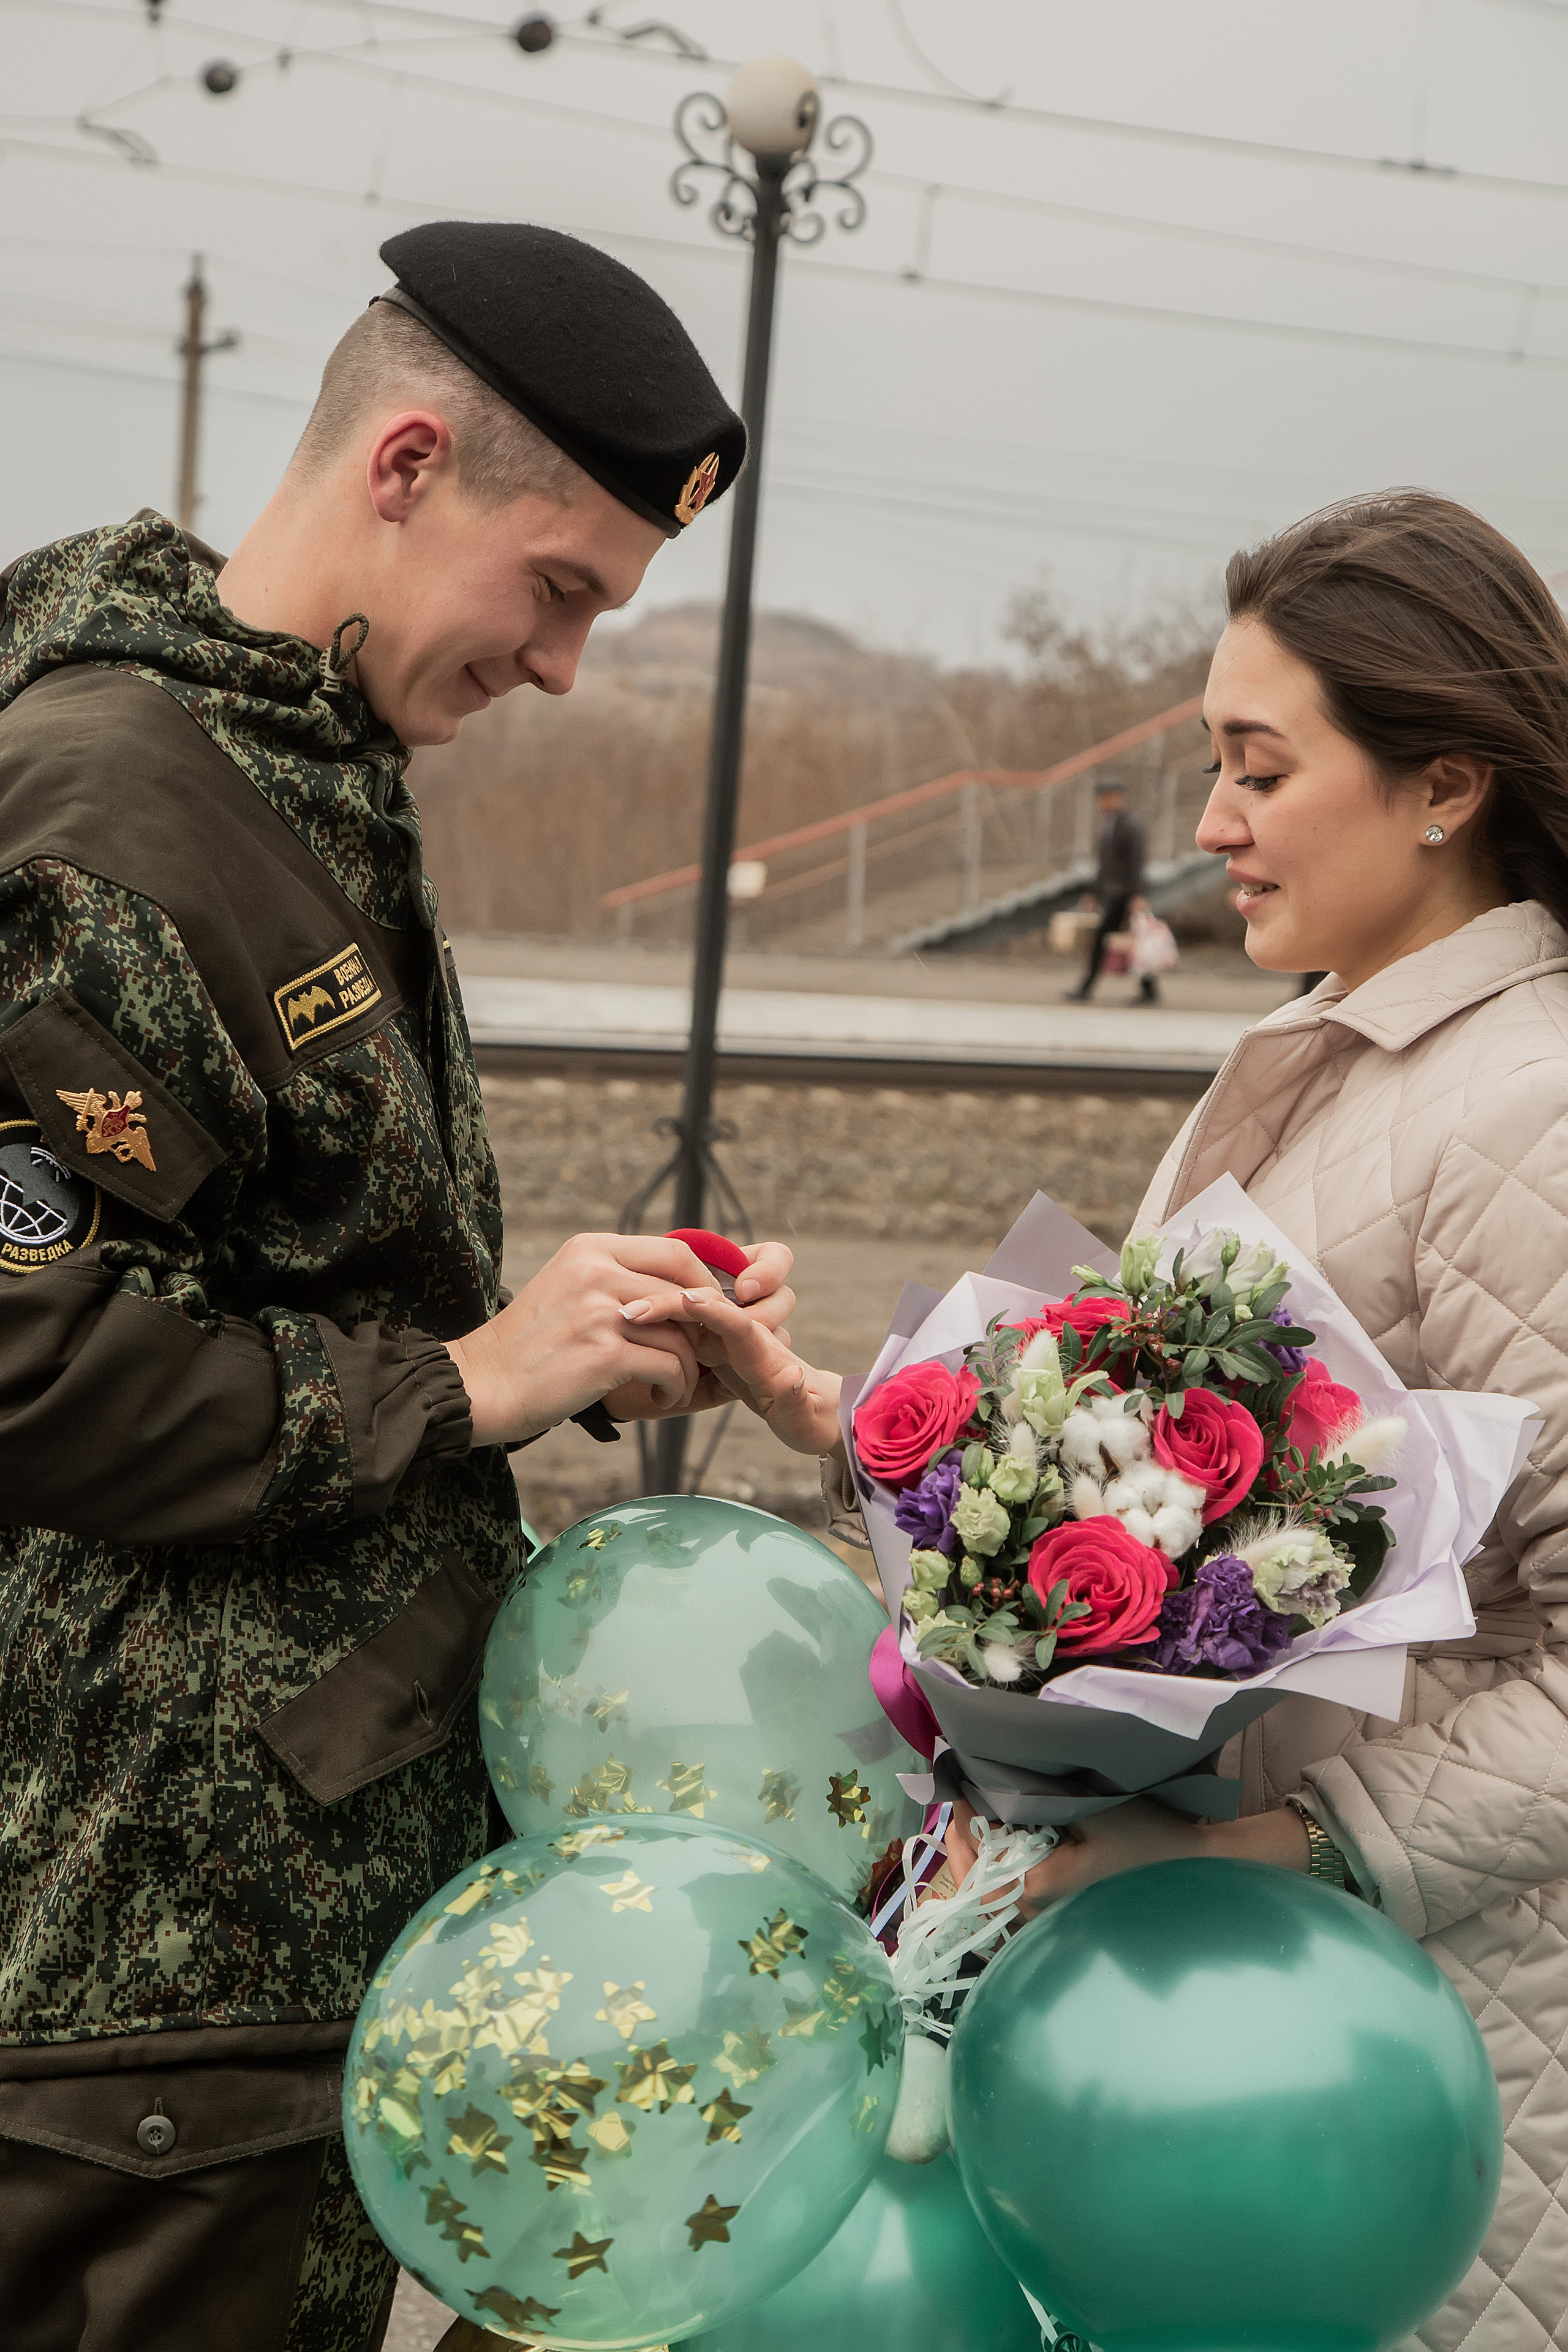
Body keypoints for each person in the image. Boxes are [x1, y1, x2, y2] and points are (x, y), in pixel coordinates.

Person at [0, 220, 796, 2351]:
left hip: (266, 1934)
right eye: (560, 594)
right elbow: (30, 1357)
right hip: (143, 1978)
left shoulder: (296, 760)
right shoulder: (114, 806)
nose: (563, 670)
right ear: (410, 461)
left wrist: (570, 1345)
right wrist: (461, 1380)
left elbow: (284, 1261)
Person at [684, 489, 1568, 2352]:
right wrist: (854, 1427)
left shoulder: (1529, 1103)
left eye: (1258, 765)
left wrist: (1301, 1848)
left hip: (1417, 2064)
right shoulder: (1340, 1054)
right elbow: (1160, 1498)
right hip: (1249, 2039)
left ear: (1446, 783)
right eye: (1205, 761)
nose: (1209, 825)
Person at [1068, 774, 1147, 1001]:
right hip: (1113, 892)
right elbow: (1105, 865)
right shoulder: (1109, 824)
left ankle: (1085, 989)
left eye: (1106, 797)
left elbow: (1136, 863)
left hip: (1125, 893)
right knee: (1126, 941)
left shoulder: (1130, 826)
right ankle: (1148, 989)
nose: (1103, 802)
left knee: (1114, 940)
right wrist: (1095, 892)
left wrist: (1138, 894)